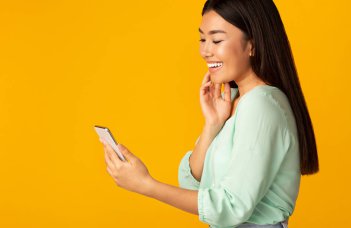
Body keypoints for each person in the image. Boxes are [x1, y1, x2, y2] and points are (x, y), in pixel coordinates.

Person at [100, 0, 319, 227]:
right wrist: (212, 125)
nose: (205, 51)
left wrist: (147, 185)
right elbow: (193, 185)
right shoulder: (236, 103)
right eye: (202, 39)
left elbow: (231, 206)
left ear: (252, 45)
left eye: (216, 40)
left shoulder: (261, 105)